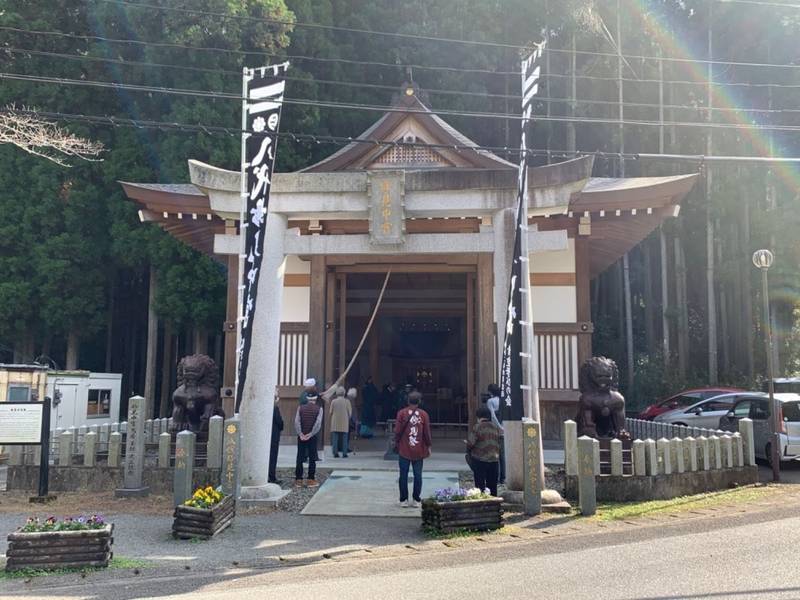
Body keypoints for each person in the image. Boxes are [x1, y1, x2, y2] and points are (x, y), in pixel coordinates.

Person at [394, 391, 432, 508]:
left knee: (403, 475)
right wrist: (429, 445)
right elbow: (426, 432)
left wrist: (396, 442)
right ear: (419, 401)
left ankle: (403, 499)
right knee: (418, 475)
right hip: (419, 449)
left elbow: (397, 431)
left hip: (404, 448)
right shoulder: (424, 414)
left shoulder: (401, 413)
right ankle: (416, 499)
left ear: (407, 400)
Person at [466, 405, 501, 496]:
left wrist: (468, 448)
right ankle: (494, 503)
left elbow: (471, 443)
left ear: (479, 417)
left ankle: (481, 501)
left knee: (480, 484)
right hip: (494, 459)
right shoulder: (495, 427)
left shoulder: (478, 427)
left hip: (480, 459)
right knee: (492, 484)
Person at [294, 390, 323, 486]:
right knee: (312, 457)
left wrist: (301, 433)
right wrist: (311, 434)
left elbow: (297, 422)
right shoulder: (319, 409)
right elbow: (318, 424)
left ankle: (298, 479)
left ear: (307, 398)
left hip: (301, 436)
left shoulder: (300, 408)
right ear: (315, 399)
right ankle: (310, 479)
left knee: (300, 456)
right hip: (312, 436)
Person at [485, 383, 505, 485]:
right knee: (502, 455)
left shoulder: (490, 401)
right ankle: (503, 477)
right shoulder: (503, 400)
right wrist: (503, 427)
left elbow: (492, 416)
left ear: (490, 391)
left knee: (494, 454)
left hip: (494, 429)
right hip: (504, 428)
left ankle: (495, 477)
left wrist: (498, 427)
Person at [330, 386, 352, 458]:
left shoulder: (333, 401)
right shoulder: (347, 401)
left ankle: (335, 453)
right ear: (344, 393)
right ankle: (344, 453)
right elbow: (350, 413)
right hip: (344, 421)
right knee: (345, 438)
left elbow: (330, 412)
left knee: (335, 438)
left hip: (335, 421)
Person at [268, 393, 284, 484]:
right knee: (273, 456)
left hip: (266, 435)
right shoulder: (274, 408)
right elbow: (279, 422)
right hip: (274, 435)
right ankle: (272, 476)